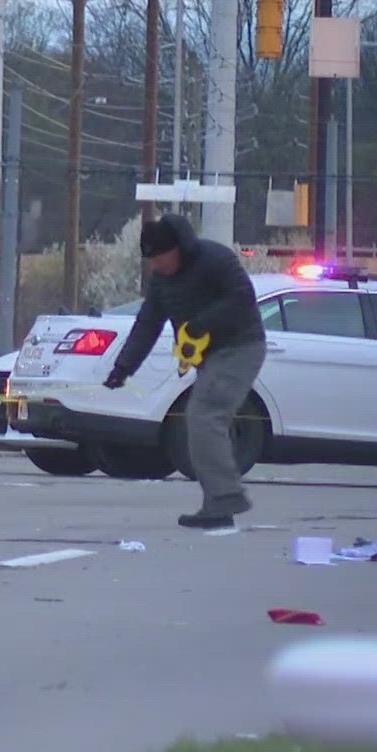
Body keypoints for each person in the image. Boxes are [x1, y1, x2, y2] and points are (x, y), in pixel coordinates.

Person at [105, 213, 266, 529]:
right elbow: (147, 323)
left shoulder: (215, 259)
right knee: (203, 418)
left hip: (241, 347)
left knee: (204, 414)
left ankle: (225, 498)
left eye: (158, 258)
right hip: (209, 357)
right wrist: (123, 367)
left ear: (176, 248)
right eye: (149, 260)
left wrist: (201, 323)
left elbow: (242, 298)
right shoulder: (162, 281)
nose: (155, 266)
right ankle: (218, 502)